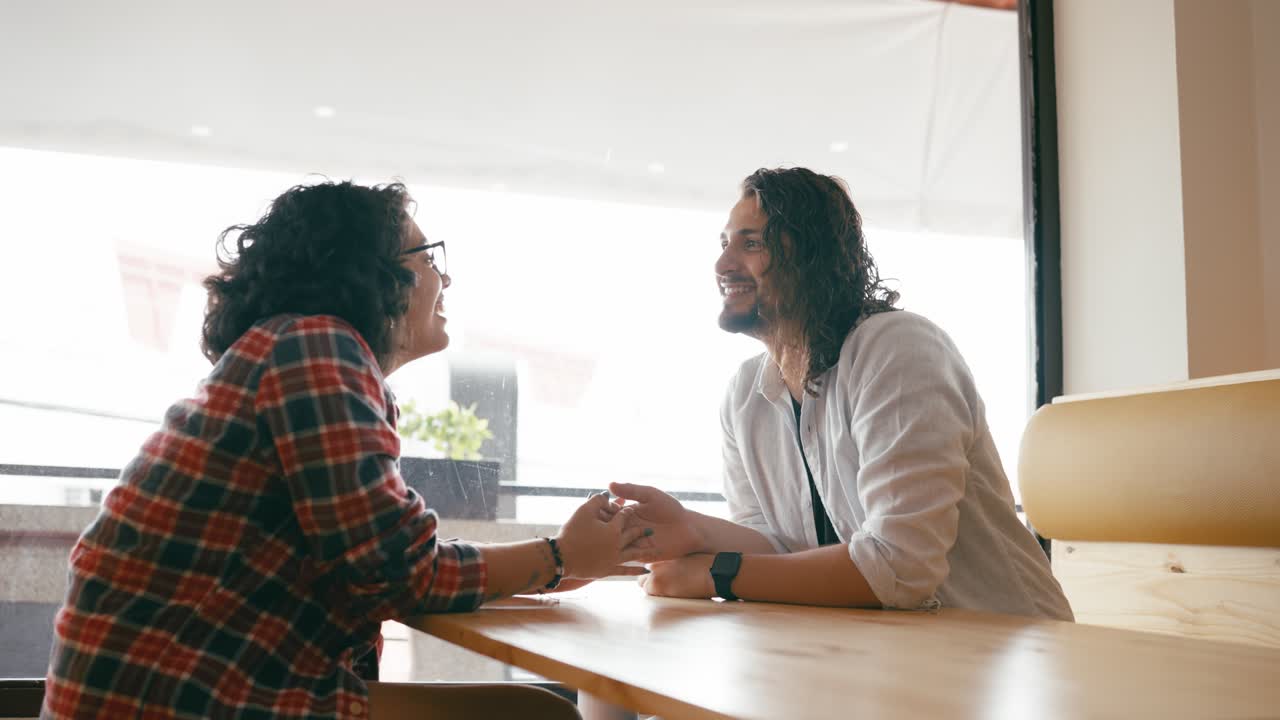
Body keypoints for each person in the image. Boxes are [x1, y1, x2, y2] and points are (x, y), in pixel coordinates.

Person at [41, 180, 646, 719]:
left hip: (157, 687)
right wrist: (558, 557)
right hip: (182, 695)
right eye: (428, 258)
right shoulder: (315, 349)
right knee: (531, 716)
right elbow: (391, 573)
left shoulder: (289, 350)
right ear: (371, 271)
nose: (445, 277)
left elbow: (384, 556)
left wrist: (556, 563)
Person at [613, 167, 1072, 620]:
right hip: (885, 647)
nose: (722, 265)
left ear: (811, 258)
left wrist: (718, 574)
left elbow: (899, 566)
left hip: (1010, 649)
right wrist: (691, 531)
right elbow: (779, 552)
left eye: (751, 244)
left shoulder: (897, 350)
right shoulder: (745, 395)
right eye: (724, 244)